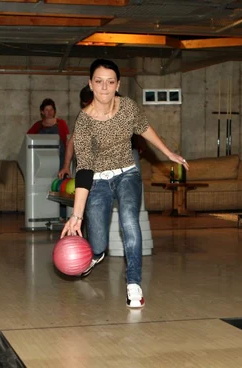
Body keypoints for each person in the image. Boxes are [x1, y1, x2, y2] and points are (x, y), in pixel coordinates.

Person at [60, 59, 188, 309]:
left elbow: (144, 128)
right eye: (99, 81)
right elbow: (84, 169)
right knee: (98, 242)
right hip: (96, 180)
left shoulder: (128, 107)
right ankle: (95, 255)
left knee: (130, 218)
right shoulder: (84, 122)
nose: (104, 87)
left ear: (118, 84)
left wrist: (168, 152)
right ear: (90, 84)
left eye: (110, 82)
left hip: (127, 173)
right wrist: (76, 215)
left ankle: (133, 284)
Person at [27, 98, 70, 217]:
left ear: (54, 111)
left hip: (60, 160)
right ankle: (43, 214)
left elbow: (67, 141)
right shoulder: (37, 125)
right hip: (41, 164)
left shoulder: (61, 124)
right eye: (46, 110)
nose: (49, 112)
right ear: (42, 112)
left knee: (60, 187)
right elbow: (28, 140)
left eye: (51, 110)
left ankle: (61, 216)